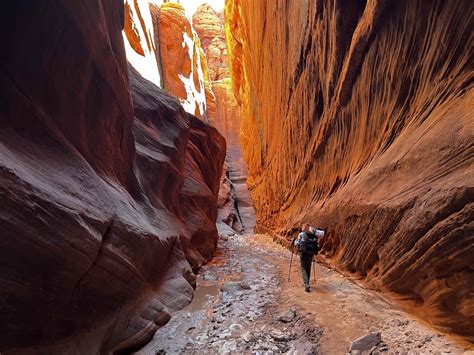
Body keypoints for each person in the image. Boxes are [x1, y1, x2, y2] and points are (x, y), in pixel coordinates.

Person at [294, 223, 319, 292]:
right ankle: (307, 282)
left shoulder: (302, 234)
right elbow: (316, 244)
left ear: (304, 228)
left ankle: (306, 284)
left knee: (303, 268)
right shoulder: (313, 235)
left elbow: (297, 243)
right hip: (310, 254)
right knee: (308, 268)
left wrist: (294, 243)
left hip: (303, 254)